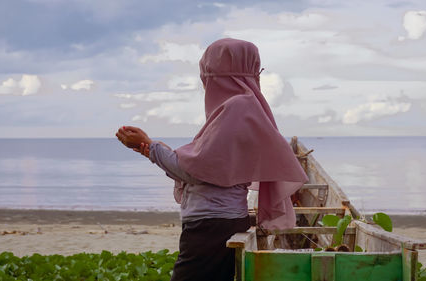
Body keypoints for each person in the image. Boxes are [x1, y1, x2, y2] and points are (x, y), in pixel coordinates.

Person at [116, 38, 308, 281]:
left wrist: (153, 149)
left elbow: (197, 171)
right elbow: (206, 167)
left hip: (211, 227)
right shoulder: (244, 107)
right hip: (217, 223)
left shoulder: (237, 108)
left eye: (207, 72)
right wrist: (149, 149)